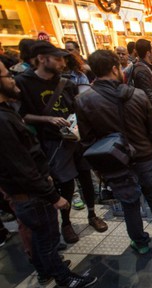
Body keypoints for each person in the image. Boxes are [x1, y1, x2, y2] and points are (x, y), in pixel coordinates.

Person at [0, 54, 97, 288]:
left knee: (42, 237)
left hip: (28, 192)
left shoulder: (7, 112)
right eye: (6, 75)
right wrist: (53, 196)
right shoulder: (3, 121)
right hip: (31, 195)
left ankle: (46, 270)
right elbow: (22, 167)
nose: (13, 79)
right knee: (47, 237)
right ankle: (62, 276)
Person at [75, 49, 152, 254]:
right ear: (115, 69)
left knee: (129, 204)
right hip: (145, 157)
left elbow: (87, 140)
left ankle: (140, 243)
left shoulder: (84, 100)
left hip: (114, 161)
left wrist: (98, 167)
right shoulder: (138, 95)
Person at [15, 41, 107, 244]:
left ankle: (92, 214)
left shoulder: (67, 82)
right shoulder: (23, 82)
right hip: (51, 142)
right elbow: (20, 116)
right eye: (57, 59)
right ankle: (66, 223)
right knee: (64, 182)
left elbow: (77, 107)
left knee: (85, 176)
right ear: (41, 59)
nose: (62, 63)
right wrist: (47, 119)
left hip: (75, 138)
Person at [126, 39, 152, 126]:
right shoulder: (142, 70)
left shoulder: (145, 67)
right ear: (148, 53)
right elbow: (147, 94)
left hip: (150, 111)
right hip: (148, 113)